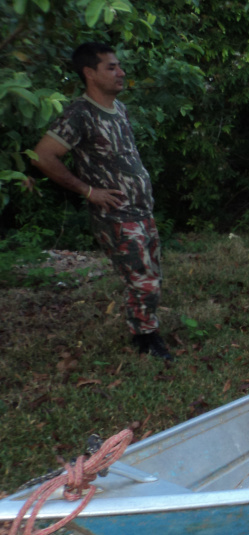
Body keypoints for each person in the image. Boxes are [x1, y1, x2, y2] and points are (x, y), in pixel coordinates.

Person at [31, 42, 173, 361]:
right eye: (111, 67)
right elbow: (42, 156)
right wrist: (88, 191)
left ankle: (144, 330)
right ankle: (146, 341)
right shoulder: (79, 114)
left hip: (141, 211)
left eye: (119, 65)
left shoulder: (118, 108)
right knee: (143, 281)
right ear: (90, 73)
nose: (120, 72)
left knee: (149, 277)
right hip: (117, 217)